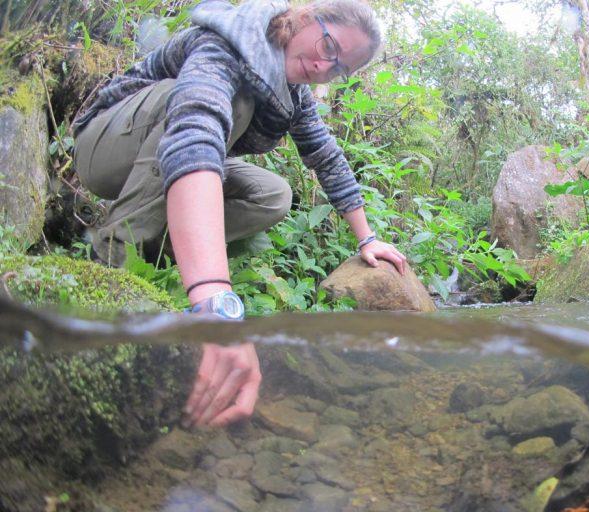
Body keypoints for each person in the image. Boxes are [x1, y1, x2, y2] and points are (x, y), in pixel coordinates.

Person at [71, 0, 407, 428]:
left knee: (273, 194)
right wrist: (215, 300)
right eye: (329, 46)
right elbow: (195, 130)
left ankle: (168, 248)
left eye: (338, 67)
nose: (325, 67)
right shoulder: (232, 39)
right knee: (237, 105)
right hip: (102, 145)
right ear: (305, 18)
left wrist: (367, 239)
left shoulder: (293, 93)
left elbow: (328, 158)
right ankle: (115, 255)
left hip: (161, 152)